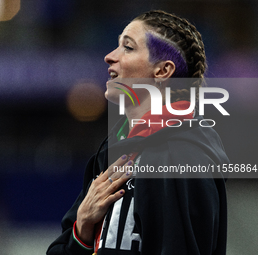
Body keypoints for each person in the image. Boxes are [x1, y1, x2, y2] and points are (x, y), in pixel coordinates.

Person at [47, 10, 229, 255]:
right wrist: (83, 228)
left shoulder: (181, 155)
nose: (109, 57)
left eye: (128, 47)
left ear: (163, 71)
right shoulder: (111, 152)